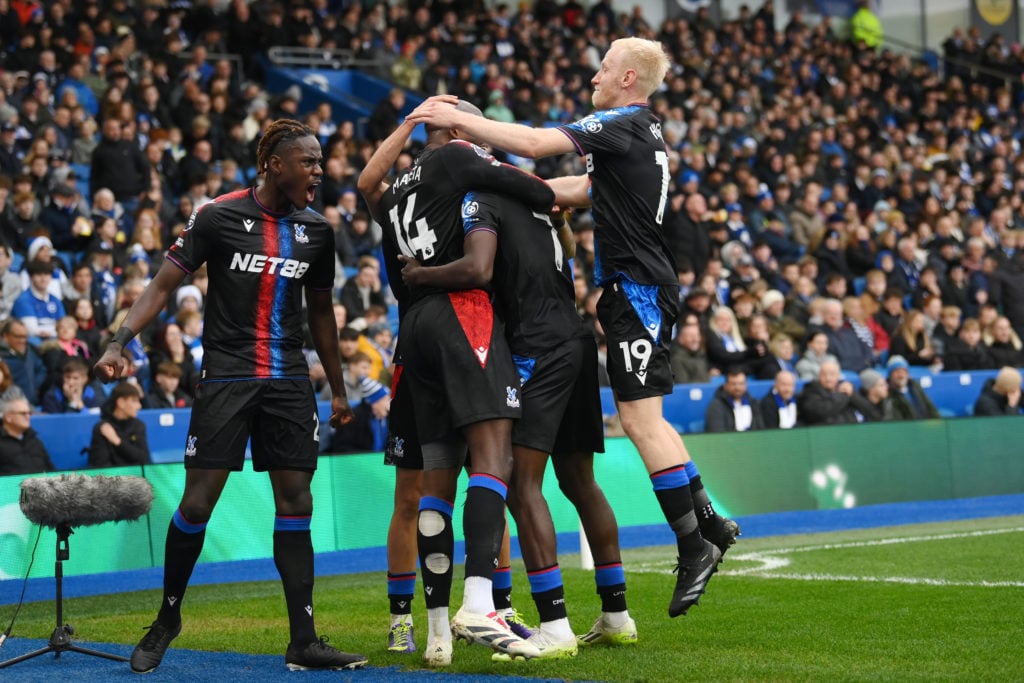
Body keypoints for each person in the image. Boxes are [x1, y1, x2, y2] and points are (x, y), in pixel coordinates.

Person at [409, 37, 738, 617]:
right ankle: (709, 519)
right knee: (649, 420)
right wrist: (520, 191)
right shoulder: (643, 133)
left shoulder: (618, 122)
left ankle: (692, 545)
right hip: (637, 287)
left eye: (605, 68)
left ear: (629, 79)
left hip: (636, 287)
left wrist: (458, 122)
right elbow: (577, 190)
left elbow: (537, 145)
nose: (594, 76)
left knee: (640, 421)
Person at [93, 119, 367, 674]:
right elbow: (164, 284)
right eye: (308, 161)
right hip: (226, 376)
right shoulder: (218, 214)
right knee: (197, 504)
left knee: (296, 504)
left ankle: (304, 641)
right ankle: (168, 617)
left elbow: (320, 314)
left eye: (320, 161)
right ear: (274, 165)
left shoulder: (318, 230)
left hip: (289, 380)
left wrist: (337, 388)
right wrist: (120, 339)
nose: (319, 171)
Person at [358, 104, 551, 665]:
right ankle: (478, 605)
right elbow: (532, 187)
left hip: (412, 334)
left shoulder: (398, 191)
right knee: (495, 466)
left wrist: (407, 124)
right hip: (462, 317)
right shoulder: (459, 160)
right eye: (481, 128)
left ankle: (439, 628)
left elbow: (369, 182)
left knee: (434, 486)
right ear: (464, 131)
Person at [88, 381, 151, 468]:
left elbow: (144, 458)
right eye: (134, 401)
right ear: (121, 403)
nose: (139, 406)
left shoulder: (139, 425)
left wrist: (117, 441)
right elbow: (100, 464)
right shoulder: (103, 428)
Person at [797, 359, 876, 425]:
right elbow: (819, 412)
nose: (828, 378)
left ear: (838, 376)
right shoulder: (811, 391)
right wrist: (844, 395)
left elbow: (870, 412)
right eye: (824, 374)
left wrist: (853, 395)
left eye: (832, 374)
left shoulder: (846, 390)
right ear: (819, 376)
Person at [0, 396, 55, 475]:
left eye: (29, 413)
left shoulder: (35, 441)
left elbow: (51, 469)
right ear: (9, 417)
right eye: (23, 413)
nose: (28, 417)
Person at [704, 367, 764, 433]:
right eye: (733, 384)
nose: (737, 388)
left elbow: (761, 429)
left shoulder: (753, 403)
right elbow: (717, 434)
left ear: (745, 385)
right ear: (726, 386)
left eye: (741, 384)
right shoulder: (716, 406)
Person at [885, 355, 940, 420]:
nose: (901, 375)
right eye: (897, 372)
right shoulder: (887, 393)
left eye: (903, 371)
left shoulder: (914, 386)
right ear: (890, 375)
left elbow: (929, 406)